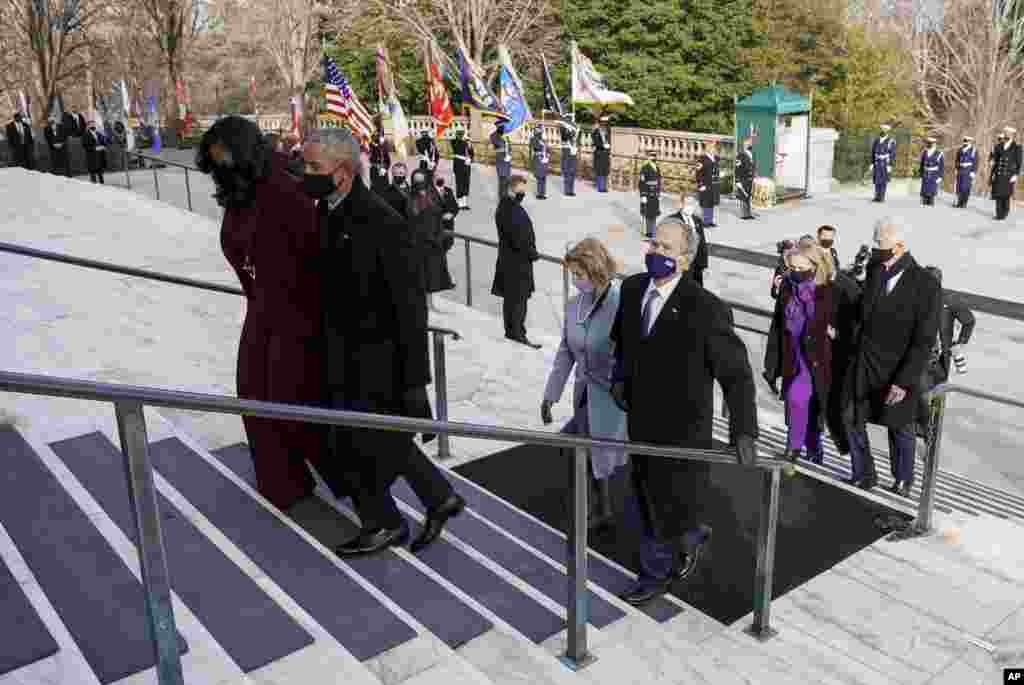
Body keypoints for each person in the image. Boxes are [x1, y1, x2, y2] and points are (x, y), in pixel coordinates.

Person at [301, 126, 465, 556]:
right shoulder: (326, 210)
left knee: (359, 444)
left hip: (376, 361)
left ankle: (383, 523)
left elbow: (411, 310)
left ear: (342, 173)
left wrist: (414, 382)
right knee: (377, 439)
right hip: (340, 354)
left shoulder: (382, 222)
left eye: (313, 166)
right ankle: (436, 498)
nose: (305, 173)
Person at [609, 214, 759, 606]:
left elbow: (737, 373)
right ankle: (690, 536)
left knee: (669, 497)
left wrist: (744, 430)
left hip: (683, 426)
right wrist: (619, 378)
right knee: (649, 493)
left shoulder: (706, 309)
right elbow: (622, 341)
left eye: (667, 248)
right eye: (654, 244)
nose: (657, 252)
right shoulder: (632, 289)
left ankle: (654, 573)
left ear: (687, 260)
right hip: (640, 418)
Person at [196, 115, 325, 512]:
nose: (220, 169)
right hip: (263, 307)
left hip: (297, 308)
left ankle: (322, 477)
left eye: (225, 158)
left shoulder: (284, 189)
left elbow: (314, 253)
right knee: (253, 389)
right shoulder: (241, 189)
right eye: (215, 161)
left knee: (283, 392)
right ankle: (281, 482)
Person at [840, 217, 941, 495]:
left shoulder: (925, 285)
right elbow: (863, 313)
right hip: (863, 364)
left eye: (881, 244)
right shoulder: (874, 271)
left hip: (897, 370)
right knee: (850, 417)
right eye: (875, 243)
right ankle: (863, 473)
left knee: (899, 426)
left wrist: (904, 380)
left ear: (900, 245)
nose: (876, 249)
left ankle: (903, 479)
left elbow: (924, 340)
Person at [542, 238, 628, 530]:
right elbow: (566, 351)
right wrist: (550, 395)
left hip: (610, 397)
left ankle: (597, 509)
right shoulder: (573, 307)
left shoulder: (620, 304)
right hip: (584, 395)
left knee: (587, 454)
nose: (575, 281)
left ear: (596, 270)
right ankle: (600, 508)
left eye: (579, 275)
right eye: (573, 275)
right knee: (587, 454)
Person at [763, 246, 835, 464]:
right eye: (792, 267)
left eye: (801, 268)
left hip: (820, 357)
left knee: (814, 405)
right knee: (796, 400)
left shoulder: (828, 289)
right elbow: (777, 324)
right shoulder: (786, 285)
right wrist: (771, 363)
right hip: (795, 355)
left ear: (814, 267)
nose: (795, 271)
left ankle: (814, 446)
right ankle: (793, 446)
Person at [916, 266, 974, 441]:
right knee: (921, 392)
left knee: (932, 395)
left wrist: (960, 343)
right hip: (919, 356)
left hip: (939, 359)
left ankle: (927, 433)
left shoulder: (950, 301)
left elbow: (969, 321)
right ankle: (924, 431)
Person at [492, 175, 541, 348]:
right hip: (516, 262)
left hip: (511, 261)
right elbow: (517, 238)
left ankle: (512, 331)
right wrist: (532, 252)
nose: (523, 192)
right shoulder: (509, 209)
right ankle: (517, 333)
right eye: (521, 189)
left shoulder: (508, 206)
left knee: (512, 299)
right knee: (518, 300)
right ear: (512, 189)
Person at [668, 196, 708, 287]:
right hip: (682, 262)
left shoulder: (697, 220)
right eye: (688, 204)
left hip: (697, 263)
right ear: (681, 204)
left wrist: (703, 263)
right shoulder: (672, 220)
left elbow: (702, 243)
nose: (690, 207)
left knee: (697, 289)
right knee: (683, 288)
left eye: (692, 204)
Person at [991, 125, 1021, 221]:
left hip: (1009, 175)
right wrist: (993, 171)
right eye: (1005, 133)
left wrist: (1016, 174)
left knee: (1006, 195)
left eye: (1008, 133)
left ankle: (1004, 212)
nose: (1006, 135)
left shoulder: (1016, 147)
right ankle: (999, 214)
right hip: (999, 173)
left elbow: (1019, 162)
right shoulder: (999, 145)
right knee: (998, 194)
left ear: (1012, 135)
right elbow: (995, 160)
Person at [870, 124, 896, 203]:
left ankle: (881, 196)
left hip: (885, 163)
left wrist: (890, 165)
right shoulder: (876, 140)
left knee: (883, 180)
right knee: (877, 180)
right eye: (882, 130)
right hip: (877, 162)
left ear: (887, 132)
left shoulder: (891, 141)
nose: (883, 132)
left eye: (885, 130)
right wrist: (872, 163)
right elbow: (873, 152)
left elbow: (892, 154)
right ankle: (877, 196)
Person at [696, 141, 720, 227]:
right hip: (706, 184)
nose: (714, 149)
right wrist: (700, 185)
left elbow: (716, 170)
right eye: (712, 147)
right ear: (708, 148)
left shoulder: (715, 158)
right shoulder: (702, 159)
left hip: (714, 184)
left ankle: (710, 220)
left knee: (711, 203)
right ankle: (705, 221)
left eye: (714, 148)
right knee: (705, 203)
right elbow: (698, 173)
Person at [639, 150, 662, 238]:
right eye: (651, 156)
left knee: (654, 212)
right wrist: (643, 195)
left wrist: (659, 192)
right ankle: (648, 231)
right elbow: (642, 182)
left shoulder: (656, 167)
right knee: (648, 213)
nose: (653, 157)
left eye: (654, 156)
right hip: (648, 192)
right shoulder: (645, 167)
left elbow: (659, 181)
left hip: (655, 192)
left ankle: (652, 229)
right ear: (648, 157)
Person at [451, 129, 474, 210]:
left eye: (462, 133)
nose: (461, 135)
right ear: (456, 134)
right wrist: (466, 142)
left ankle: (464, 203)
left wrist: (470, 158)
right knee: (459, 183)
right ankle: (460, 204)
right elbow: (457, 147)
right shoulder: (454, 141)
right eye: (459, 133)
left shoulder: (467, 142)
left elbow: (471, 153)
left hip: (466, 165)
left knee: (466, 183)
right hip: (459, 165)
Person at [919, 137, 944, 206]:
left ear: (935, 144)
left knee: (932, 189)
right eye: (928, 143)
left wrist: (940, 176)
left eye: (931, 144)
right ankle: (924, 202)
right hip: (925, 172)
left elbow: (941, 166)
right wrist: (921, 174)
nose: (929, 145)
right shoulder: (925, 152)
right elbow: (922, 164)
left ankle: (930, 203)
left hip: (934, 174)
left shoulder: (939, 153)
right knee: (924, 189)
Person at [559, 113, 580, 196]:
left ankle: (571, 190)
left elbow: (576, 139)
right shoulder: (563, 128)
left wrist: (576, 133)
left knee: (572, 170)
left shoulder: (575, 128)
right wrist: (571, 133)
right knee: (567, 170)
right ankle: (567, 190)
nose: (570, 120)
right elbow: (564, 137)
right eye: (569, 119)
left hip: (573, 150)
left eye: (571, 119)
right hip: (567, 149)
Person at [491, 122, 513, 200]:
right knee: (502, 178)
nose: (503, 128)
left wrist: (509, 154)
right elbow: (499, 144)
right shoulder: (493, 135)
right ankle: (501, 197)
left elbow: (510, 146)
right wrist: (505, 142)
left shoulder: (505, 136)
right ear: (498, 127)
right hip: (500, 158)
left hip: (507, 160)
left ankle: (506, 195)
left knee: (507, 178)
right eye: (502, 127)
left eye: (503, 127)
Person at [954, 136, 977, 208]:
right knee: (959, 186)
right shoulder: (960, 149)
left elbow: (975, 161)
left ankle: (964, 202)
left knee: (966, 187)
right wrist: (956, 168)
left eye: (967, 141)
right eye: (965, 141)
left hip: (968, 170)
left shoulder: (973, 150)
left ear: (970, 142)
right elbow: (957, 160)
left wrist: (973, 171)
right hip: (961, 169)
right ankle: (959, 202)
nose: (965, 143)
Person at [735, 137, 755, 220]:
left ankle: (748, 213)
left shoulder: (751, 154)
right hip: (743, 178)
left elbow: (752, 166)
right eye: (748, 143)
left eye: (750, 143)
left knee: (748, 196)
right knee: (743, 196)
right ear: (744, 145)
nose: (750, 144)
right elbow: (737, 168)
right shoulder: (741, 155)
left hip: (749, 178)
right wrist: (737, 180)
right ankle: (744, 214)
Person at [591, 116, 611, 193]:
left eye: (606, 123)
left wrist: (608, 146)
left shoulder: (607, 130)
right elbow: (595, 142)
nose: (604, 124)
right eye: (603, 122)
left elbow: (609, 140)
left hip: (605, 153)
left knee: (605, 170)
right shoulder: (596, 131)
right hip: (599, 152)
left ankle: (604, 186)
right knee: (599, 170)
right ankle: (600, 187)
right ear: (600, 122)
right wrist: (603, 145)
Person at [530, 125, 549, 200]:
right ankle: (539, 193)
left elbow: (547, 149)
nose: (541, 132)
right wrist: (541, 142)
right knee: (540, 176)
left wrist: (547, 156)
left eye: (541, 130)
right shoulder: (533, 139)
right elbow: (535, 147)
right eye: (539, 130)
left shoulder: (543, 139)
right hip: (538, 158)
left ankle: (543, 193)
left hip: (544, 159)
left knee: (544, 177)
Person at [369, 128, 391, 193]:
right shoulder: (370, 145)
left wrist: (385, 168)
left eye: (379, 135)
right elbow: (369, 158)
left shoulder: (384, 145)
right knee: (375, 189)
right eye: (375, 134)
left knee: (385, 189)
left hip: (383, 170)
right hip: (374, 170)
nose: (378, 136)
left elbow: (387, 160)